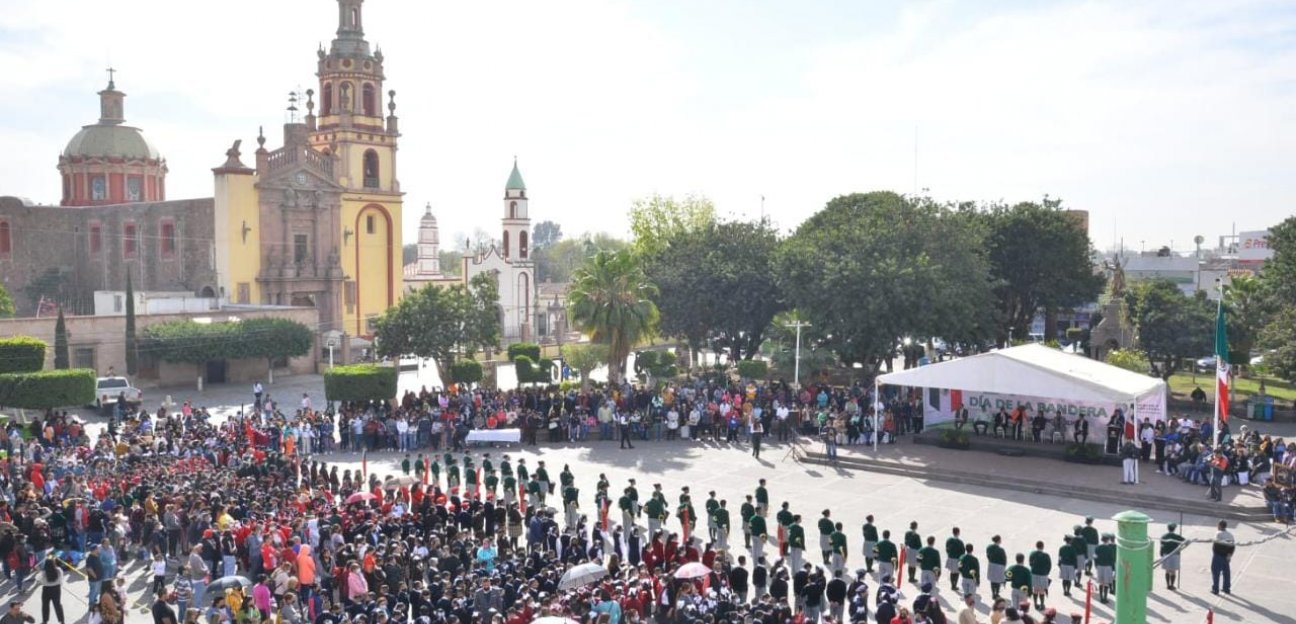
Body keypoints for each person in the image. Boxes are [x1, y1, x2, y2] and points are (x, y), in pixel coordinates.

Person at [37, 556, 65, 624]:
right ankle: (61, 620)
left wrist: (38, 571)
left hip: (46, 589)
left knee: (45, 605)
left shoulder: (43, 573)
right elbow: (61, 579)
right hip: (56, 589)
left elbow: (39, 581)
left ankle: (45, 620)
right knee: (57, 605)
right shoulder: (59, 570)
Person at [1210, 520, 1235, 595]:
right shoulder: (1230, 535)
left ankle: (1215, 589)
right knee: (1226, 572)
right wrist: (1229, 555)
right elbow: (1232, 546)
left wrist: (1215, 553)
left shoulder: (1218, 534)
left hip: (1218, 556)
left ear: (1220, 526)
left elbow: (1216, 545)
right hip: (1226, 556)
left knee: (1216, 572)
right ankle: (1226, 588)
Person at [1160, 523, 1185, 590]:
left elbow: (1162, 547)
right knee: (1173, 571)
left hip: (1166, 554)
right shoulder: (1177, 536)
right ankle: (1172, 585)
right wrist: (1180, 546)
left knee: (1167, 570)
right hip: (1175, 554)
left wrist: (1161, 554)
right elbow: (1185, 541)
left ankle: (1167, 585)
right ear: (1174, 529)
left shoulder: (1164, 536)